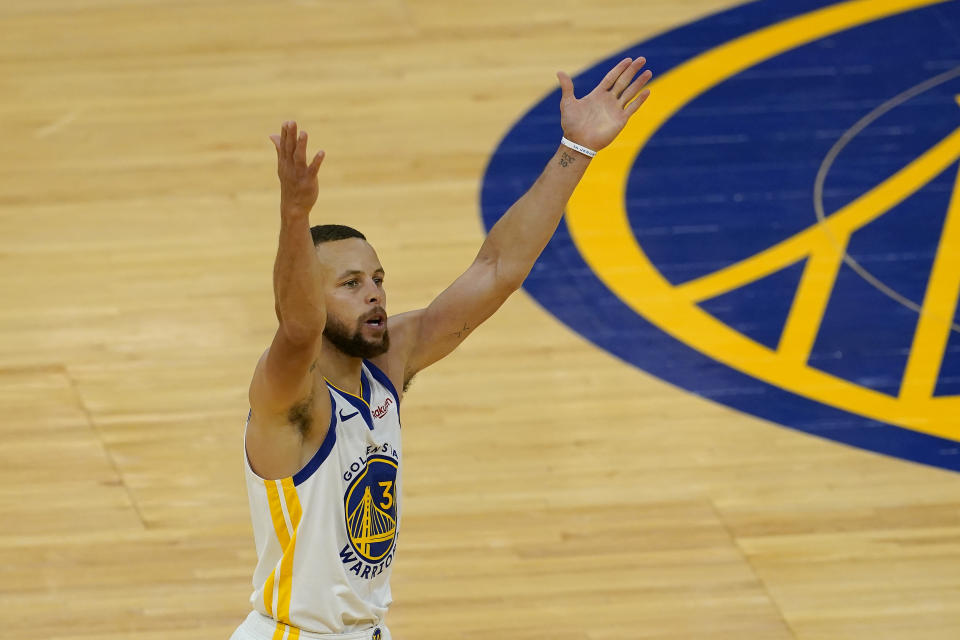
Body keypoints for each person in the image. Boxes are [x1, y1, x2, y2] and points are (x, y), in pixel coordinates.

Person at [230, 57, 653, 640]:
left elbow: (498, 269)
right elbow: (298, 327)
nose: (375, 294)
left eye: (377, 278)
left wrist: (574, 152)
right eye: (350, 284)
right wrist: (294, 215)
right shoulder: (288, 399)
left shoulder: (388, 363)